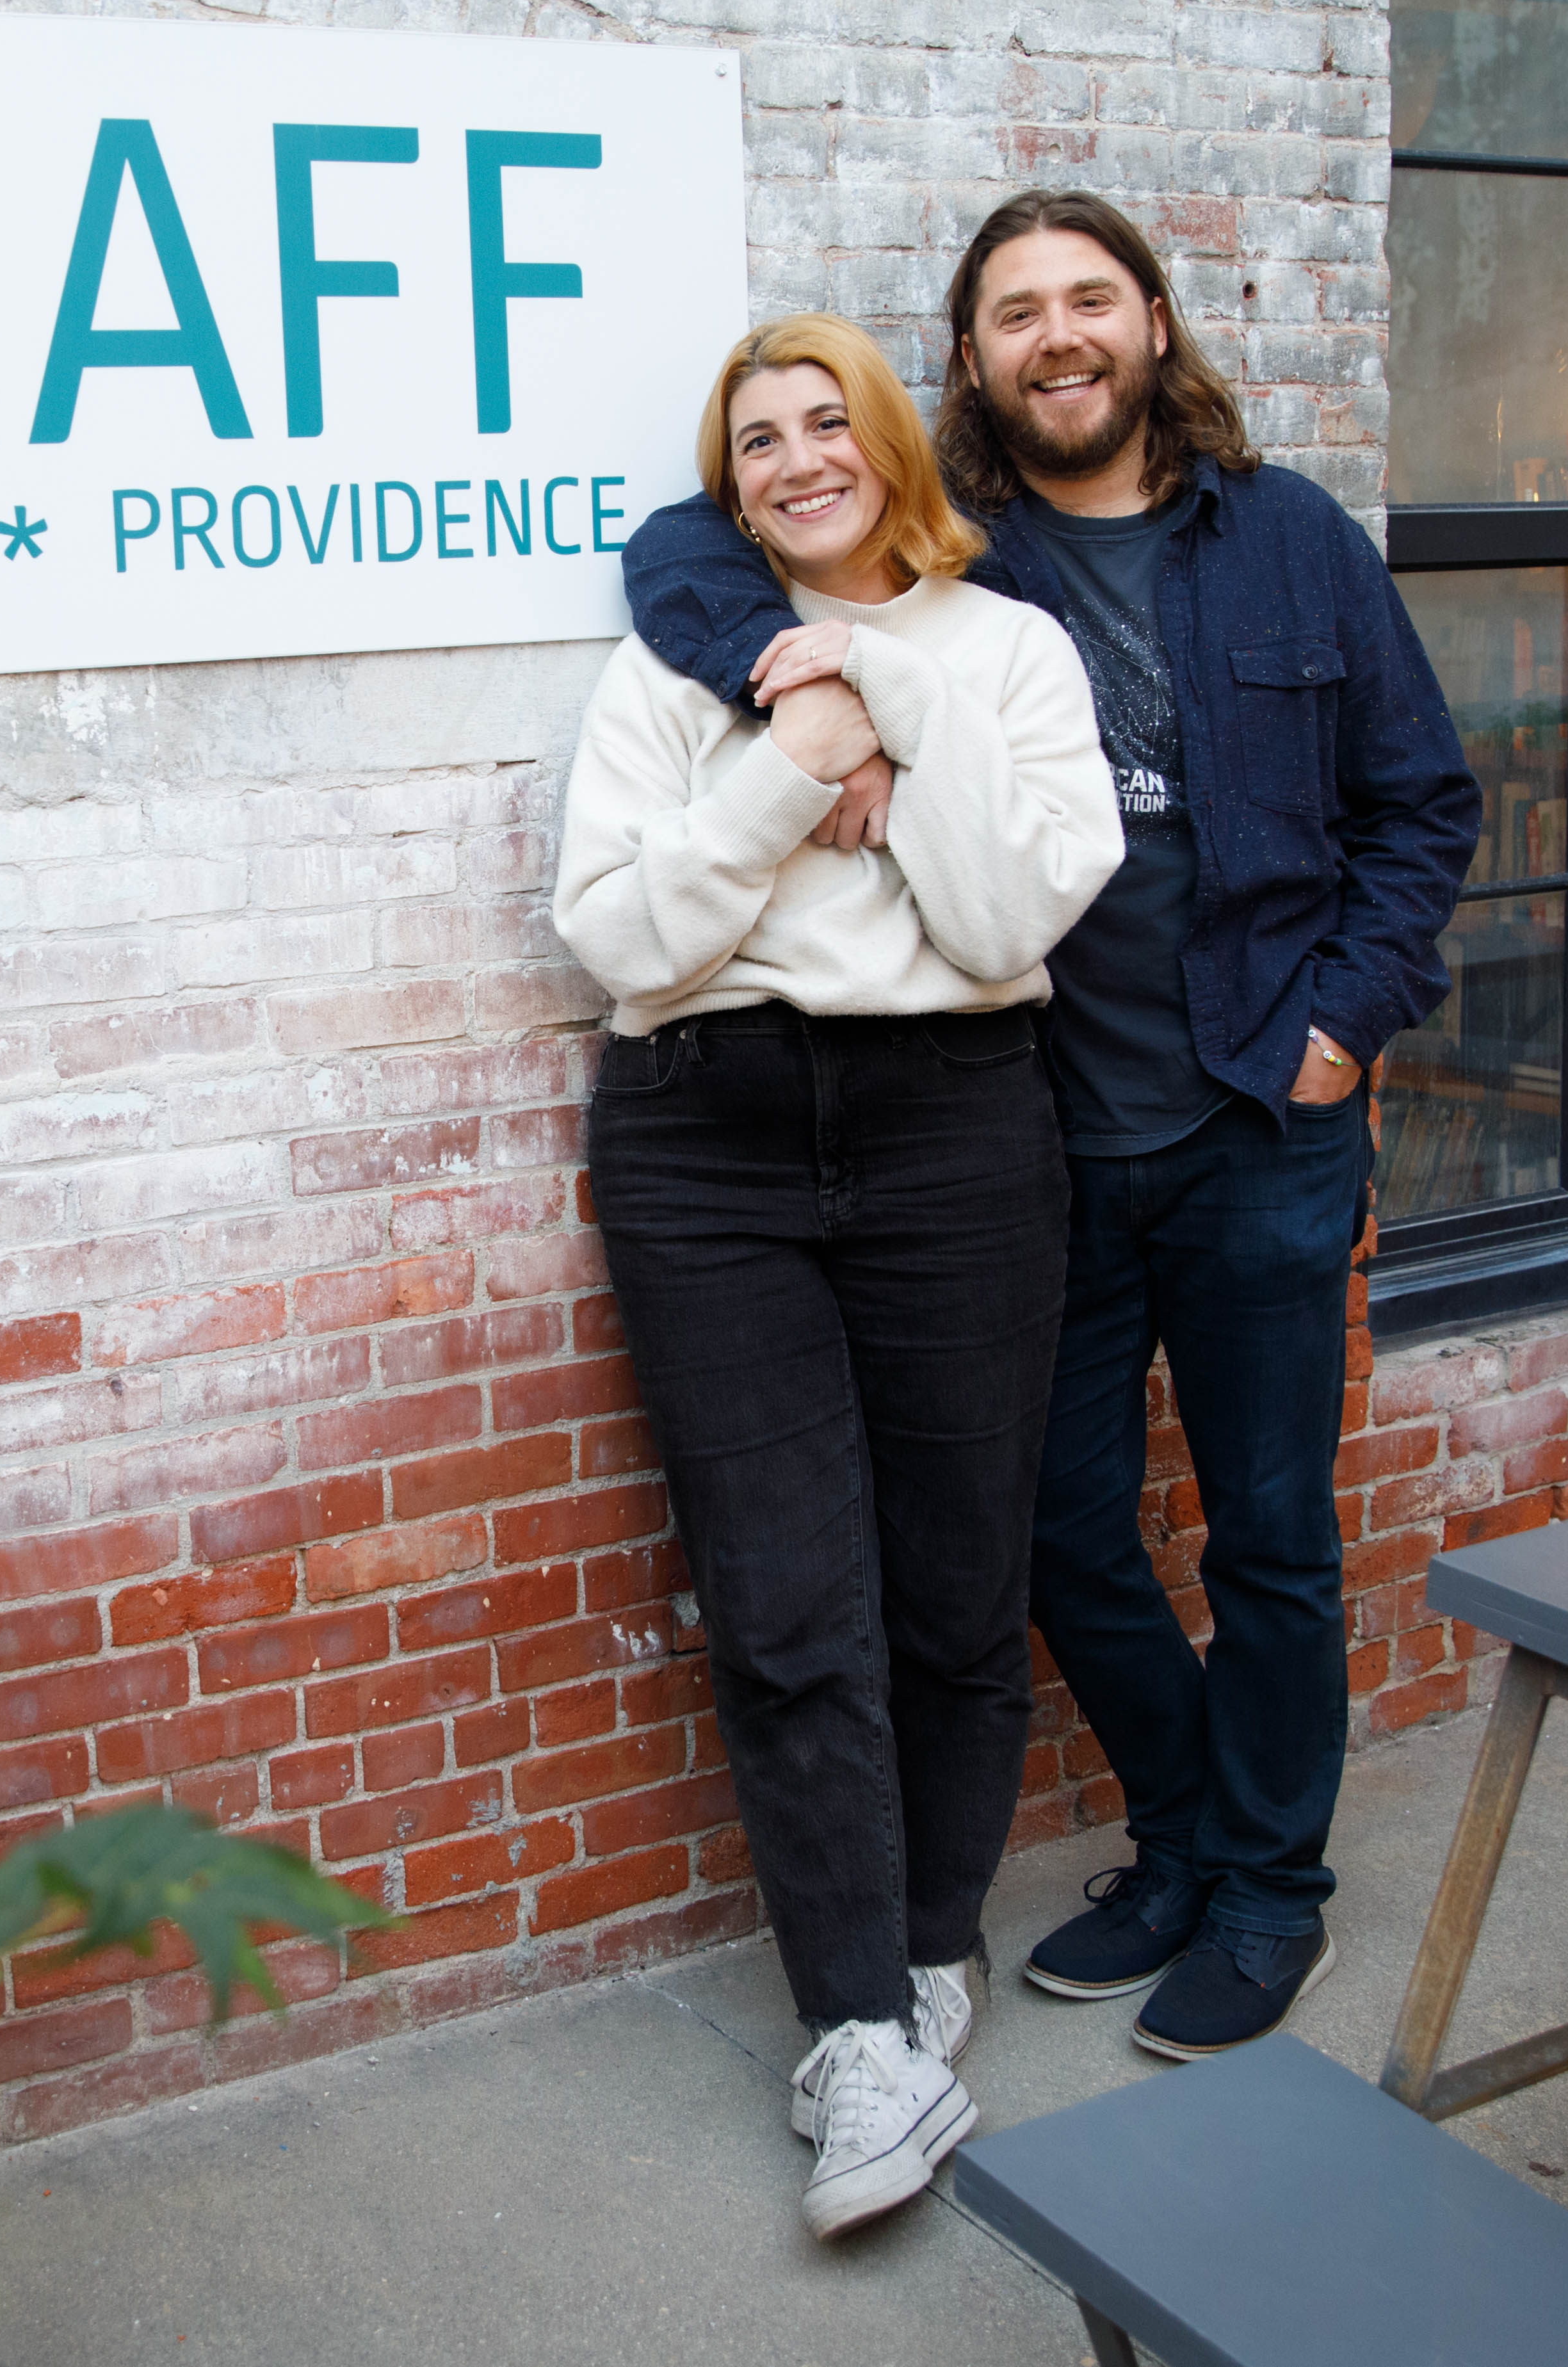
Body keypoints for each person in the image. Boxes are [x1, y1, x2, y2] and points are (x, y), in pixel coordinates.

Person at [621, 194, 1481, 2062]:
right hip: (1041, 1133)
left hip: (1261, 1118)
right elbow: (688, 543)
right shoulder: (944, 536)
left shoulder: (1292, 542)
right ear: (972, 358)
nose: (1057, 336)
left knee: (1266, 1538)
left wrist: (1342, 1025)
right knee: (1055, 1529)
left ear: (1154, 323)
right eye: (1015, 313)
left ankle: (1269, 1890)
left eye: (1089, 299)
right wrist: (811, 679)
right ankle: (1180, 1835)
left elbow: (1422, 803)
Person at [554, 314, 1122, 2238]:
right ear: (730, 490)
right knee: (786, 1601)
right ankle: (859, 2027)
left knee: (958, 1583)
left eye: (825, 423)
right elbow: (625, 945)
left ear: (887, 440)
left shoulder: (1009, 654)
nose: (797, 459)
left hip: (957, 1127)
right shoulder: (672, 666)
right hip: (702, 1139)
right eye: (757, 441)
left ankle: (931, 1935)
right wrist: (792, 765)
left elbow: (997, 917)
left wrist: (885, 697)